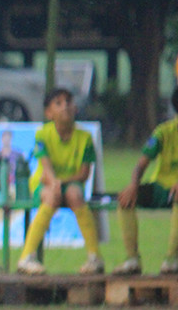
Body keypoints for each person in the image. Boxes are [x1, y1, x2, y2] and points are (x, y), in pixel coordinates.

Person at [17, 88, 104, 276]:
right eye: (58, 103)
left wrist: (61, 181)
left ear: (75, 108)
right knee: (51, 196)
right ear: (49, 113)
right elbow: (45, 167)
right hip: (46, 183)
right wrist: (54, 183)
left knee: (75, 194)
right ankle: (26, 257)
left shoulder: (85, 138)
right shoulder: (43, 134)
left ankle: (94, 257)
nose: (65, 106)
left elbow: (84, 174)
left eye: (68, 101)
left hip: (71, 184)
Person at [111, 87, 178, 275]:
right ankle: (132, 259)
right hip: (162, 187)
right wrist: (133, 185)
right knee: (126, 198)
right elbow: (140, 165)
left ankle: (172, 259)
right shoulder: (164, 132)